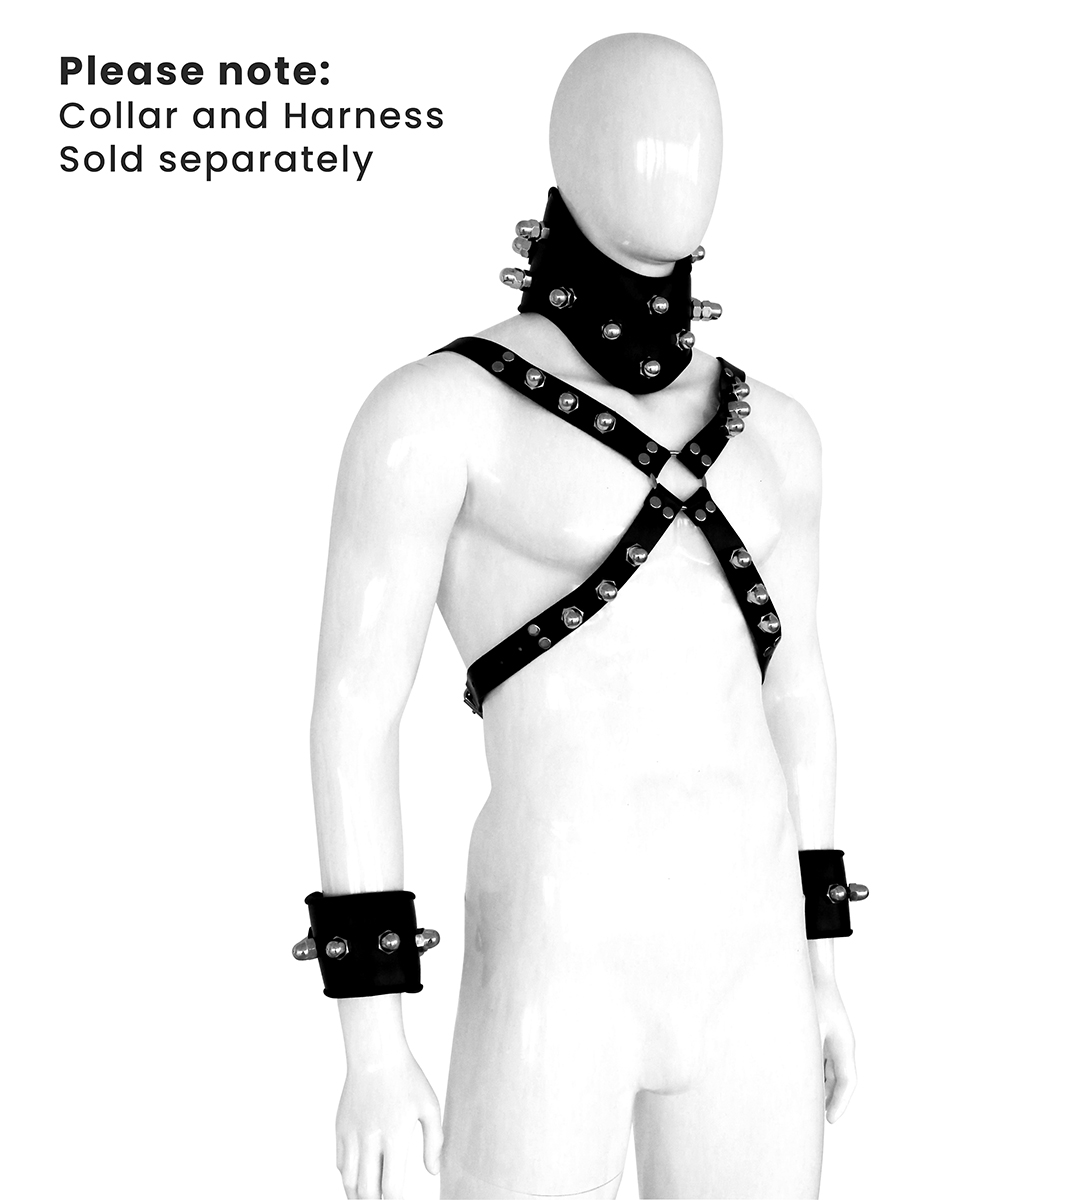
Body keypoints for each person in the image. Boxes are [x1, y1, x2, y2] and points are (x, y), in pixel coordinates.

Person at [308, 32, 859, 1200]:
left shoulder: (780, 435)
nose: (671, 160)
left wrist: (822, 960)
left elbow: (798, 692)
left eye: (696, 135)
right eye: (642, 132)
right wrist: (373, 1041)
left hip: (755, 950)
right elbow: (355, 717)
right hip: (559, 944)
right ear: (566, 153)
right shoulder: (437, 415)